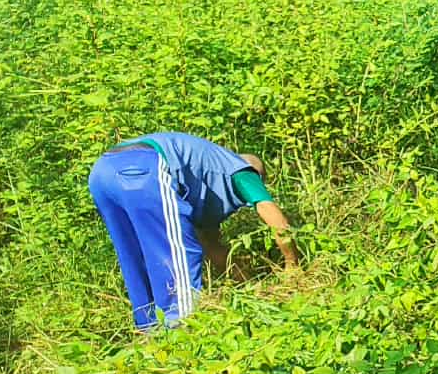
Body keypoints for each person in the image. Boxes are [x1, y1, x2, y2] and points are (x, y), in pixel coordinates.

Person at [88, 132, 299, 333]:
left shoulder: (202, 178)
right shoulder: (243, 170)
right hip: (144, 165)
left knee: (135, 256)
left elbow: (209, 245)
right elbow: (272, 214)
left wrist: (247, 282)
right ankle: (182, 332)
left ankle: (149, 335)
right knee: (178, 252)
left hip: (102, 172)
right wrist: (292, 266)